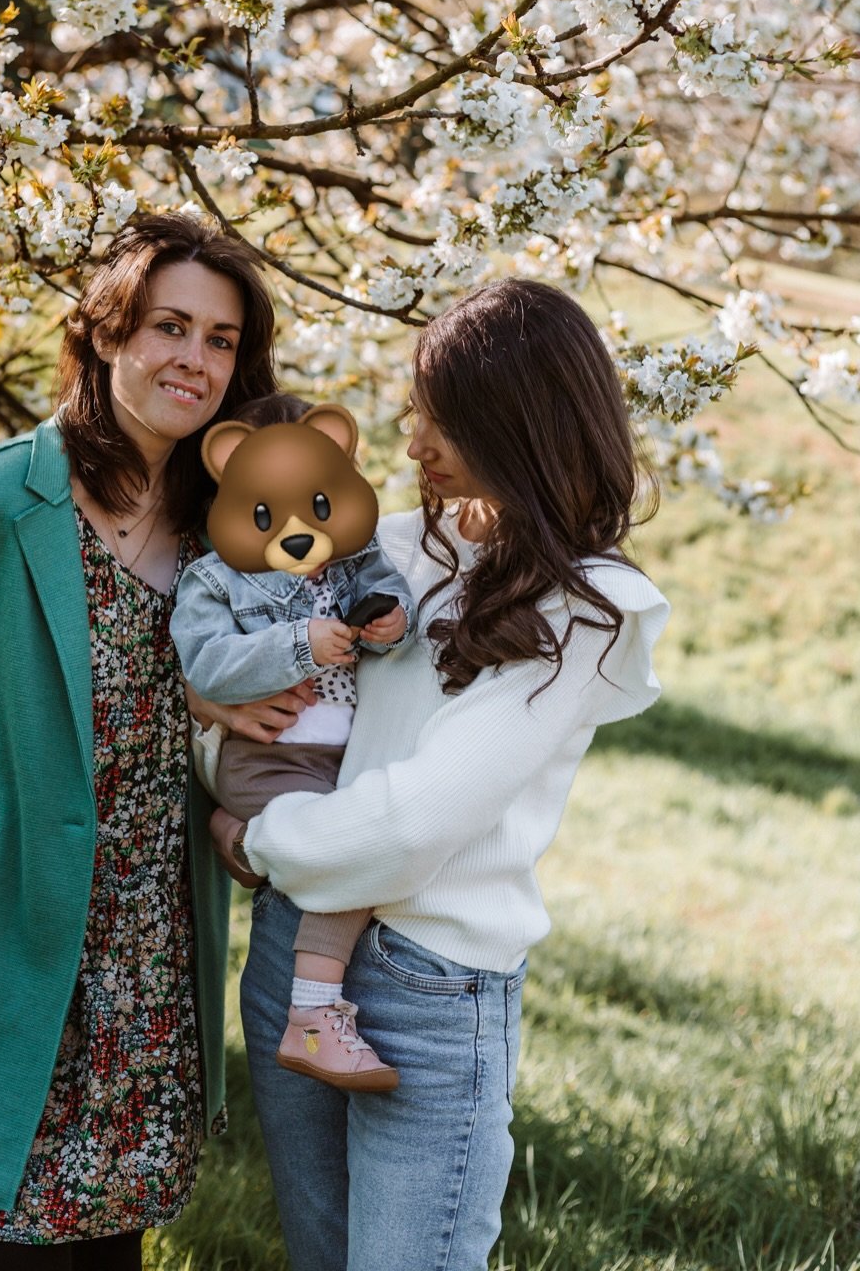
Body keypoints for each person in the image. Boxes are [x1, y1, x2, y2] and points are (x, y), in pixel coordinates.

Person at [0, 212, 284, 1268]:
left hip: (155, 953)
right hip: (18, 943)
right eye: (170, 325)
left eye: (221, 340)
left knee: (114, 1249)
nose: (195, 359)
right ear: (108, 333)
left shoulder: (230, 520)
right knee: (18, 1241)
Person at [205, 278, 672, 1271]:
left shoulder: (590, 612)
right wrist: (215, 727)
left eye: (441, 419)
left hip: (427, 983)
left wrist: (260, 838)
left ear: (517, 427)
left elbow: (410, 827)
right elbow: (240, 649)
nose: (413, 440)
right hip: (298, 950)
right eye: (417, 410)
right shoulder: (399, 547)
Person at [171, 393, 415, 1093]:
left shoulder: (355, 561)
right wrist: (295, 646)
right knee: (352, 850)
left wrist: (390, 626)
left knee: (363, 841)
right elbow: (207, 663)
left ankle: (243, 841)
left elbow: (400, 622)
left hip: (340, 758)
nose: (299, 529)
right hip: (266, 757)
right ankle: (311, 1019)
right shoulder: (214, 578)